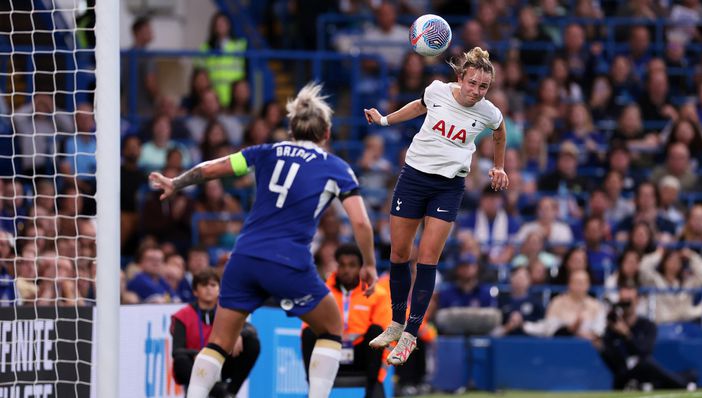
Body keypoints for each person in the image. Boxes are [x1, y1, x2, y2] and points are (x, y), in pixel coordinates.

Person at [149, 82, 378, 398]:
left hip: (243, 259)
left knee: (218, 342)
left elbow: (212, 168)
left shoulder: (266, 152)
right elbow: (362, 223)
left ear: (291, 129)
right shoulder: (335, 168)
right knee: (331, 327)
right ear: (326, 133)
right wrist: (369, 263)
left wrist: (176, 182)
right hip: (287, 261)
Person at [363, 47, 509, 365]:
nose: (476, 91)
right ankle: (396, 323)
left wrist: (499, 166)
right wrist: (385, 120)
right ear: (461, 77)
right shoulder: (437, 91)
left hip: (448, 187)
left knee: (427, 259)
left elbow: (499, 132)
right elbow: (419, 106)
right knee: (400, 255)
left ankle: (411, 335)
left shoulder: (488, 112)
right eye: (472, 83)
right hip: (413, 178)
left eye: (483, 86)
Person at [301, 244, 391, 398]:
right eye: (342, 265)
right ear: (336, 266)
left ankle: (372, 390)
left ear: (361, 268)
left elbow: (387, 335)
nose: (346, 270)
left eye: (352, 265)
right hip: (331, 352)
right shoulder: (322, 292)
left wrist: (380, 376)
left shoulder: (377, 294)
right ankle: (314, 388)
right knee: (308, 332)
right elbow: (307, 326)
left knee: (376, 330)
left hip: (361, 356)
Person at [171, 269, 260, 397]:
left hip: (219, 364)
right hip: (194, 365)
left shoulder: (225, 311)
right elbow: (177, 351)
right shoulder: (182, 315)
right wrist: (200, 355)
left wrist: (239, 333)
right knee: (180, 360)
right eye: (204, 285)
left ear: (219, 290)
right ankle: (221, 393)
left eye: (213, 285)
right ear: (195, 291)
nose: (209, 289)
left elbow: (252, 330)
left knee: (252, 343)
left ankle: (230, 393)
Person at [601, 283, 696, 391]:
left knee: (692, 374)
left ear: (637, 301)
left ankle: (651, 386)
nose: (625, 305)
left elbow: (645, 351)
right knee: (648, 365)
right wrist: (616, 330)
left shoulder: (647, 326)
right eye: (623, 301)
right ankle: (683, 386)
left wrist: (627, 334)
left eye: (628, 301)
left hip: (645, 370)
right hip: (624, 375)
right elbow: (611, 359)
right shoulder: (611, 328)